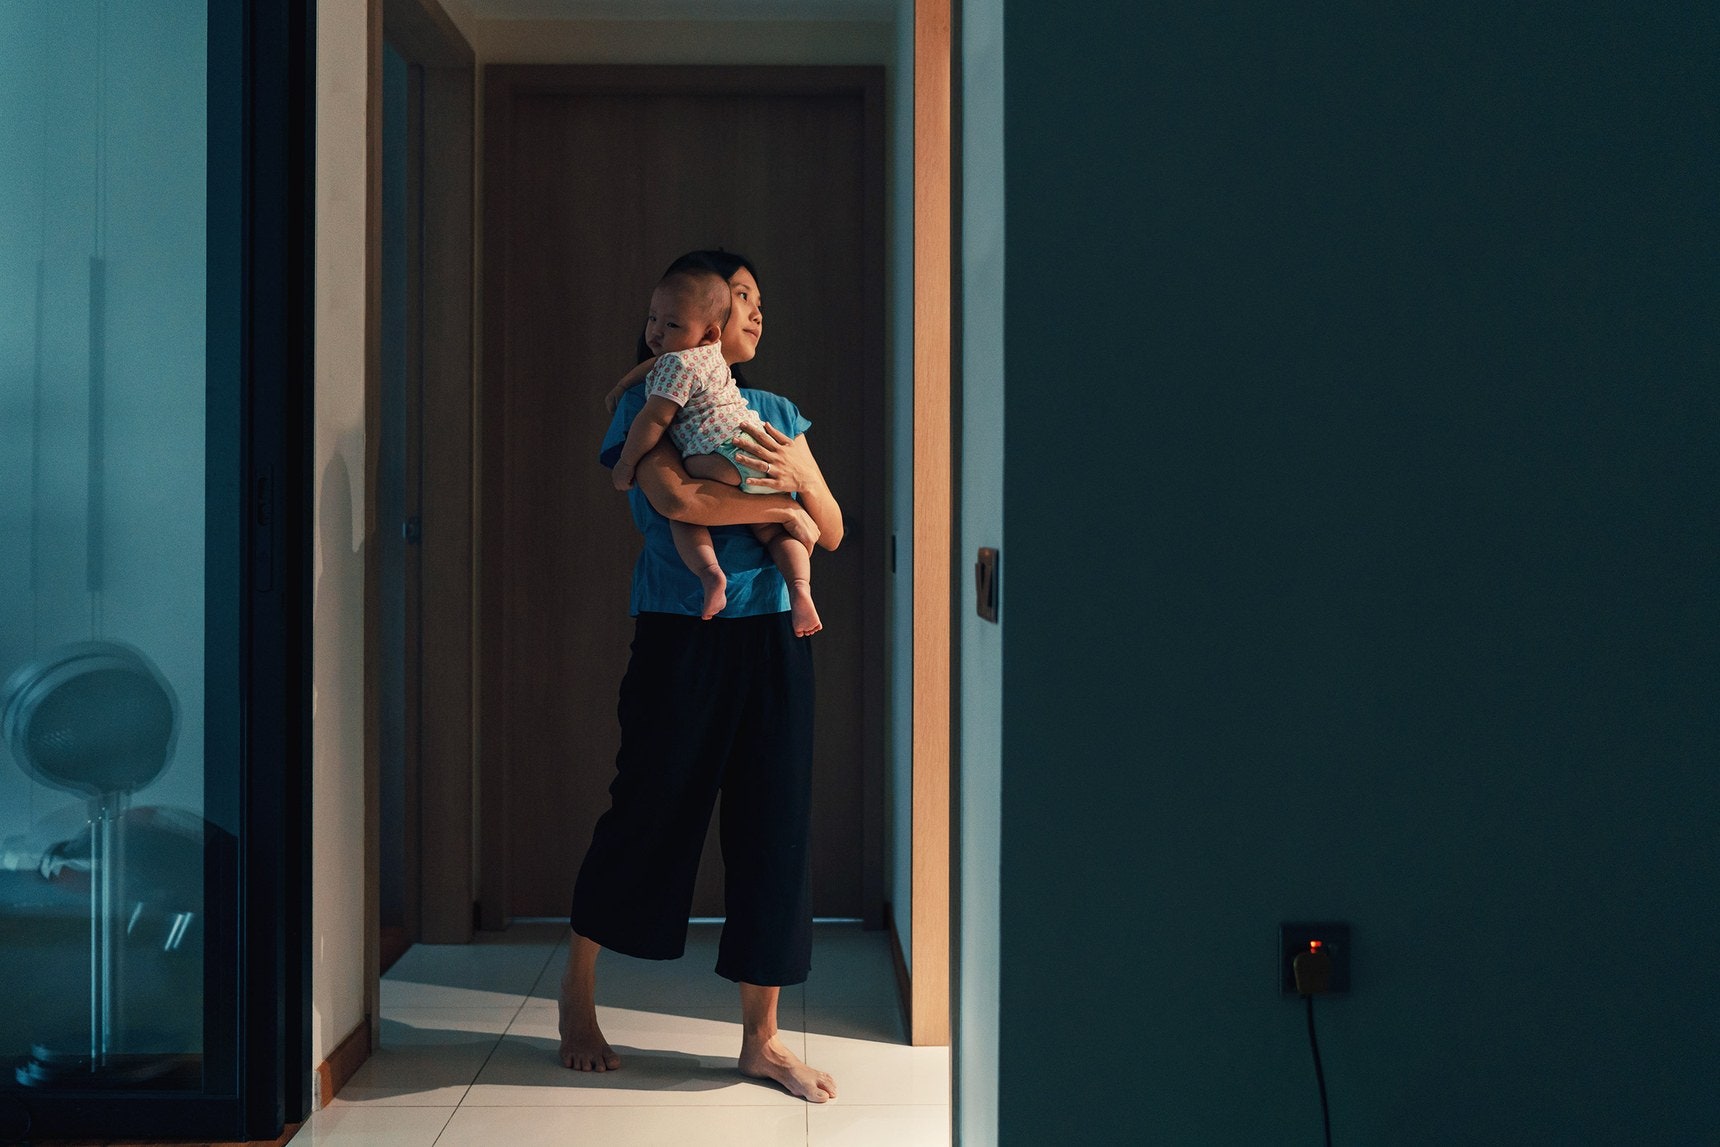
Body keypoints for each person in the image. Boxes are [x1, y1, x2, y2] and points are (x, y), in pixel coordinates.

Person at [558, 250, 842, 1104]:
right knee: (646, 805)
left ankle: (762, 1040)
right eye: (741, 297)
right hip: (682, 632)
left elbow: (827, 527)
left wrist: (799, 494)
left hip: (775, 640)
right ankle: (577, 999)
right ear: (705, 320)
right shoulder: (652, 407)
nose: (754, 311)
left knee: (774, 824)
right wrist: (781, 500)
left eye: (759, 297)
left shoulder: (780, 410)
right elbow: (678, 504)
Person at [606, 265, 823, 636]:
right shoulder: (713, 366)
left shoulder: (675, 370)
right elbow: (653, 365)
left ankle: (711, 577)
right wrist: (787, 506)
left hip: (717, 452)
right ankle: (801, 589)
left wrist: (627, 462)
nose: (656, 330)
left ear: (710, 331)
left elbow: (658, 428)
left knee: (688, 518)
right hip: (754, 453)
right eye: (653, 318)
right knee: (774, 534)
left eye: (670, 324)